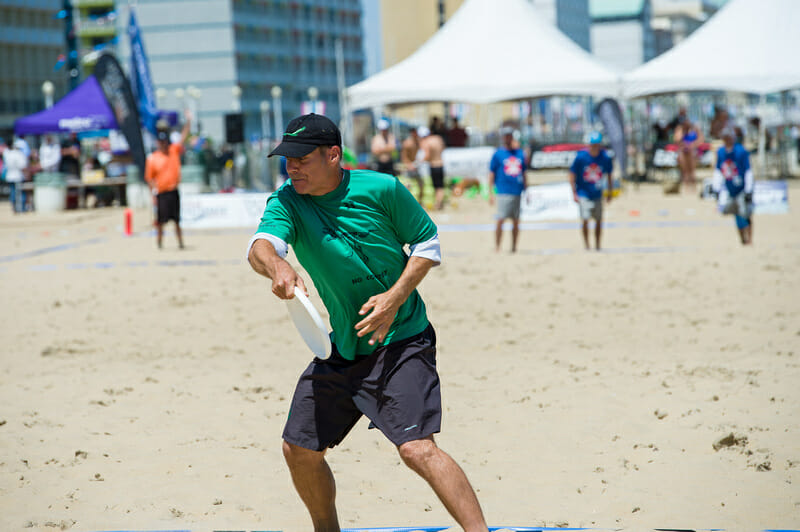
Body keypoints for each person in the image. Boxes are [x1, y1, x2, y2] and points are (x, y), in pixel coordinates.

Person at [246, 113, 488, 532]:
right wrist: (276, 267)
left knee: (416, 449)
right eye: (288, 159)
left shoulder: (382, 188)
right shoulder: (288, 201)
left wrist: (395, 298)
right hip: (343, 346)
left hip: (402, 339)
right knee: (299, 448)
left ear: (334, 155)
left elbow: (428, 245)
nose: (293, 167)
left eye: (302, 158)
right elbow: (260, 246)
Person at [144, 113, 191, 249]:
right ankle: (159, 243)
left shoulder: (173, 151)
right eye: (161, 142)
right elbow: (149, 178)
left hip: (173, 190)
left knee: (177, 221)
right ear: (158, 143)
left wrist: (188, 120)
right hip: (161, 193)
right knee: (160, 222)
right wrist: (153, 194)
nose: (163, 144)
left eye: (165, 142)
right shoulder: (153, 158)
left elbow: (183, 137)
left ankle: (180, 243)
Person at [569, 132, 614, 251]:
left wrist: (609, 192)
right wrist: (574, 192)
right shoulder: (581, 157)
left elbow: (609, 175)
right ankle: (587, 245)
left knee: (599, 220)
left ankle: (598, 245)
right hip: (583, 192)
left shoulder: (605, 157)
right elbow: (572, 174)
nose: (594, 147)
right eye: (592, 144)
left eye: (597, 144)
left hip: (597, 193)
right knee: (585, 219)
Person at [712, 125, 754, 245]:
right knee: (736, 214)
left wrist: (749, 190)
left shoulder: (741, 151)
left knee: (745, 214)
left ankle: (750, 239)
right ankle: (742, 240)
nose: (726, 140)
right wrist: (716, 188)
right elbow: (718, 170)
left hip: (743, 188)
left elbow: (748, 171)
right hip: (730, 189)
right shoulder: (721, 152)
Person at [488, 127, 527, 253]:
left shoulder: (520, 153)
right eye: (506, 136)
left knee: (516, 221)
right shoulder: (498, 154)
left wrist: (526, 189)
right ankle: (497, 246)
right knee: (501, 219)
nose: (508, 138)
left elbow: (524, 172)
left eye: (509, 135)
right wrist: (490, 192)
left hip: (517, 190)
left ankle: (514, 247)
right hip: (502, 190)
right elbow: (491, 173)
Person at [418, 126, 447, 210]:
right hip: (441, 164)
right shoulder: (438, 139)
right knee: (440, 186)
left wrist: (420, 161)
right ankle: (439, 203)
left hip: (433, 165)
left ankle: (438, 204)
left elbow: (427, 155)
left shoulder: (426, 142)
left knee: (436, 186)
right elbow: (443, 148)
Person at [674, 118, 704, 193]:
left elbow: (701, 139)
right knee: (685, 170)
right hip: (683, 151)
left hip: (692, 151)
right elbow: (677, 140)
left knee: (692, 170)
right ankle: (686, 187)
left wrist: (692, 145)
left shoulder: (695, 129)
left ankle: (693, 187)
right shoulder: (680, 130)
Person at [3, 139, 29, 213]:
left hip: (10, 175)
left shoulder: (6, 153)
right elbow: (23, 166)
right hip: (18, 176)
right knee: (20, 192)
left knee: (13, 192)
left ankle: (14, 207)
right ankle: (22, 208)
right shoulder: (18, 154)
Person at [400, 126, 424, 203]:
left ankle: (419, 202)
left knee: (421, 184)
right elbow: (404, 157)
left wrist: (417, 163)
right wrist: (409, 165)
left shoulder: (419, 141)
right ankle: (406, 202)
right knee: (407, 185)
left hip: (416, 166)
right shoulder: (407, 143)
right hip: (408, 166)